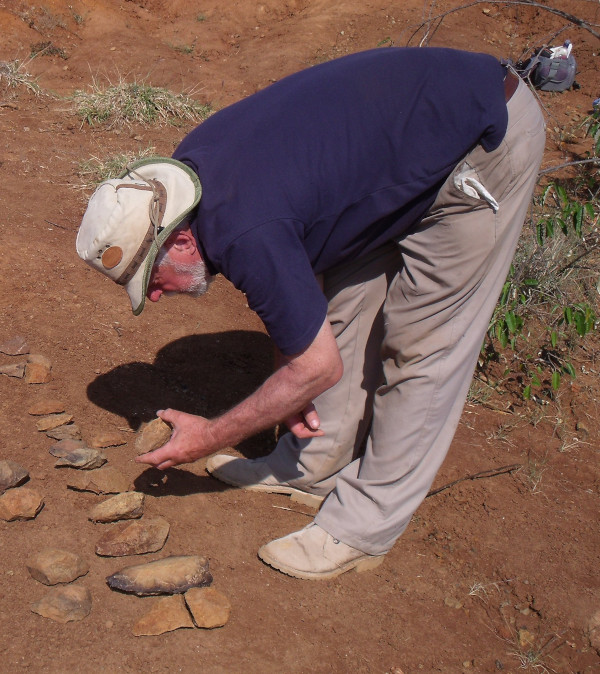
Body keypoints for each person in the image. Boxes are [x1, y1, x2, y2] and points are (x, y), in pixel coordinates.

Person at [76, 46, 545, 580]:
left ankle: (365, 526)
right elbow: (297, 311)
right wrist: (289, 384)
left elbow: (315, 365)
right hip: (404, 146)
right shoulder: (195, 185)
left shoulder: (244, 228)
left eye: (149, 280)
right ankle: (312, 466)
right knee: (340, 311)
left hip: (477, 143)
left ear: (179, 240)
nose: (155, 297)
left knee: (422, 346)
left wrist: (210, 435)